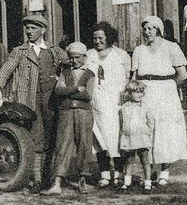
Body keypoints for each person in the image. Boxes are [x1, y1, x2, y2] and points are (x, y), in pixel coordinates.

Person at [0, 14, 67, 193]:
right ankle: (36, 179)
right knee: (36, 138)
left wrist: (61, 78)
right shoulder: (20, 51)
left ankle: (52, 178)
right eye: (27, 28)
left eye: (33, 28)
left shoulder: (54, 50)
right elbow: (6, 69)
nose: (29, 31)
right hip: (30, 100)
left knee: (54, 137)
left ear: (43, 30)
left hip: (52, 100)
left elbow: (68, 64)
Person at [132, 15, 187, 185]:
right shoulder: (139, 51)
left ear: (158, 30)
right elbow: (134, 77)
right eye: (145, 29)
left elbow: (182, 75)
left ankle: (164, 170)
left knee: (165, 130)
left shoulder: (171, 47)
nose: (146, 32)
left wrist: (168, 87)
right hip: (145, 93)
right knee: (147, 130)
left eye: (150, 29)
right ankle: (149, 172)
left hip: (166, 93)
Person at [41, 42, 96, 195]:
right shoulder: (65, 71)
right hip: (65, 112)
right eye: (71, 58)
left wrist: (68, 91)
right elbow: (58, 91)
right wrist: (77, 89)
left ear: (85, 57)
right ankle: (57, 183)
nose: (73, 61)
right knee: (62, 145)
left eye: (77, 57)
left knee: (83, 144)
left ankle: (82, 180)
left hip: (83, 113)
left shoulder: (90, 74)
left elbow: (88, 95)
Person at [85, 21, 131, 188]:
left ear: (109, 37)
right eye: (95, 38)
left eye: (101, 38)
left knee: (116, 139)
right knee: (99, 139)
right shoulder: (88, 55)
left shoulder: (120, 55)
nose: (97, 42)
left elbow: (129, 77)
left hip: (115, 102)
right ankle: (104, 174)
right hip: (96, 101)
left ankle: (119, 174)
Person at [118, 80, 155, 194]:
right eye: (136, 92)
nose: (139, 94)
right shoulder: (124, 107)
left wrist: (147, 131)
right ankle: (127, 182)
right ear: (129, 94)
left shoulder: (145, 107)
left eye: (141, 92)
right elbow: (121, 122)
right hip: (129, 138)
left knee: (145, 160)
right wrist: (123, 133)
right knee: (129, 160)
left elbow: (151, 121)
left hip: (142, 137)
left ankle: (148, 183)